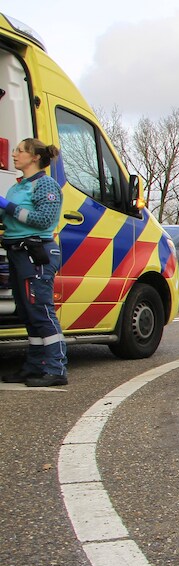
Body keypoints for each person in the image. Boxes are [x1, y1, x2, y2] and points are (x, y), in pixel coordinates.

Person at [0, 137, 67, 387]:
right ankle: (34, 367)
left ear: (35, 157)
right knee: (28, 313)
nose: (14, 154)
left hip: (36, 253)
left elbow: (42, 219)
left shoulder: (45, 185)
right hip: (18, 253)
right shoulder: (17, 187)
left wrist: (8, 207)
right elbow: (7, 216)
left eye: (20, 151)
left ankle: (56, 368)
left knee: (41, 310)